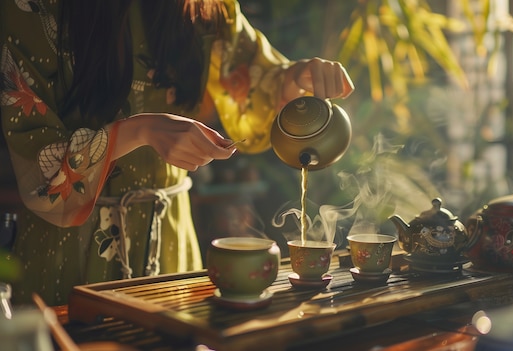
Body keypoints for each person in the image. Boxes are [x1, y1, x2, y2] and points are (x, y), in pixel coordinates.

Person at [0, 0, 354, 306]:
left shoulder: (206, 8)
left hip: (169, 238)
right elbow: (41, 166)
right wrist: (137, 131)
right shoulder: (34, 8)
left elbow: (258, 82)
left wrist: (296, 78)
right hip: (66, 252)